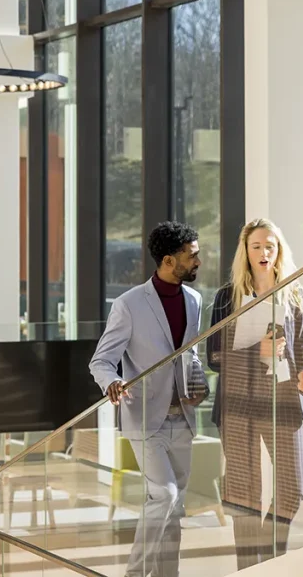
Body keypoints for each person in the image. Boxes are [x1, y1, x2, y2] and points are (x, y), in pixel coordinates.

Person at [89, 221, 209, 577]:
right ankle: (135, 573)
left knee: (175, 506)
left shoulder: (194, 300)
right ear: (169, 261)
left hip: (183, 417)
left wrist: (198, 381)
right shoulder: (128, 305)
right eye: (192, 255)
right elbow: (101, 361)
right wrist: (112, 382)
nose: (198, 261)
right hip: (145, 418)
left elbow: (191, 353)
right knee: (164, 495)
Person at [206, 219, 303, 568]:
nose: (264, 252)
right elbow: (213, 356)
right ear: (246, 252)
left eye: (270, 245)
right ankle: (248, 568)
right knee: (245, 495)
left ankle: (271, 561)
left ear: (278, 250)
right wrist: (257, 352)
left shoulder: (292, 291)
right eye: (256, 246)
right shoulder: (227, 297)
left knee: (293, 488)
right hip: (239, 401)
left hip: (283, 397)